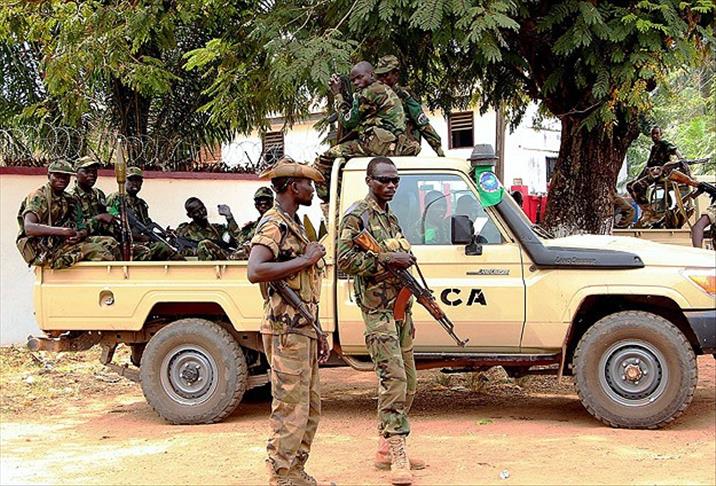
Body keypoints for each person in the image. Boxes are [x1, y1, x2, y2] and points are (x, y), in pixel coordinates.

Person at [337, 156, 424, 486]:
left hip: (400, 312)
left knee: (410, 381)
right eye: (384, 180)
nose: (390, 185)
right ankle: (397, 451)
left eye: (395, 180)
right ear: (369, 181)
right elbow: (344, 259)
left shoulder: (391, 218)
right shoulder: (357, 216)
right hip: (377, 312)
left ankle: (385, 448)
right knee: (394, 380)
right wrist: (386, 259)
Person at [247, 158, 331, 486]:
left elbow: (305, 288)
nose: (312, 189)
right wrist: (305, 259)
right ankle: (280, 477)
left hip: (302, 328)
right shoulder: (273, 223)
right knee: (290, 410)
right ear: (294, 187)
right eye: (308, 184)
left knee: (308, 409)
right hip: (285, 331)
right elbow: (256, 270)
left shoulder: (293, 223)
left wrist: (318, 331)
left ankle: (295, 472)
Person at [314, 61, 418, 203]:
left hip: (376, 145)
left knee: (324, 160)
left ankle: (331, 203)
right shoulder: (383, 89)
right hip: (392, 144)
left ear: (372, 75)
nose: (356, 82)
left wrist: (337, 94)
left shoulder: (368, 93)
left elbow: (347, 121)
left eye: (360, 77)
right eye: (353, 80)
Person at [16, 160, 119, 269]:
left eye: (65, 177)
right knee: (100, 252)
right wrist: (62, 231)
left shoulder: (69, 199)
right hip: (44, 252)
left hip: (63, 244)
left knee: (111, 243)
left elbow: (81, 226)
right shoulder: (39, 197)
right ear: (49, 176)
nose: (62, 179)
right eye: (57, 176)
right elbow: (29, 228)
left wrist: (79, 235)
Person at [106, 167, 182, 261]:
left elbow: (147, 227)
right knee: (162, 249)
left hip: (140, 244)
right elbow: (111, 224)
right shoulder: (116, 199)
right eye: (131, 180)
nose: (135, 183)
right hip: (122, 245)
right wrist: (139, 237)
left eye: (138, 180)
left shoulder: (141, 204)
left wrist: (163, 234)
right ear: (124, 181)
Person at [375, 55, 444, 157]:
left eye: (385, 75)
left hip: (403, 149)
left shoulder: (403, 96)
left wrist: (439, 151)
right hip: (380, 148)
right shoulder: (375, 96)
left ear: (396, 74)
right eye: (379, 76)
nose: (382, 79)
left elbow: (423, 124)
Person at [627, 126, 683, 224]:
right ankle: (646, 209)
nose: (654, 136)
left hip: (659, 173)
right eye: (653, 134)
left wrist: (681, 159)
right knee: (629, 186)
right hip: (650, 172)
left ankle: (649, 212)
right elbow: (649, 165)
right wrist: (641, 176)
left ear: (661, 135)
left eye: (657, 133)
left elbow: (674, 150)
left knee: (637, 186)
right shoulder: (654, 148)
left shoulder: (664, 144)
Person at [175, 197, 240, 260]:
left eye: (202, 208)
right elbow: (179, 249)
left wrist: (230, 218)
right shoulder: (184, 231)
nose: (201, 213)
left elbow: (239, 242)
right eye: (196, 212)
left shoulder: (218, 229)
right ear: (189, 215)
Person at [71, 156, 116, 236]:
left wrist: (115, 212)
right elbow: (76, 227)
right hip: (84, 238)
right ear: (76, 174)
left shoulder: (98, 193)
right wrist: (99, 218)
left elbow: (107, 210)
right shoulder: (72, 197)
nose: (92, 174)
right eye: (87, 171)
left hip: (101, 235)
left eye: (94, 171)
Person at [232, 187, 275, 258]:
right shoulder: (252, 227)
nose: (263, 205)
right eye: (259, 202)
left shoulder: (277, 222)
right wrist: (230, 218)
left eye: (266, 202)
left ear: (272, 203)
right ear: (256, 205)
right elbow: (240, 239)